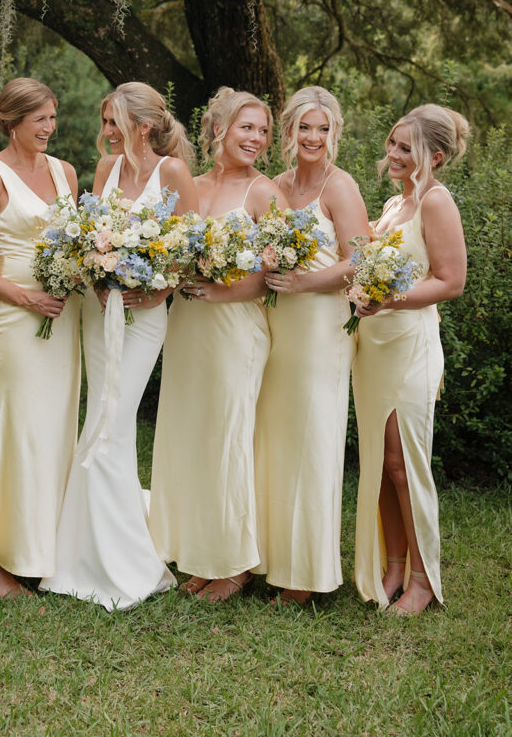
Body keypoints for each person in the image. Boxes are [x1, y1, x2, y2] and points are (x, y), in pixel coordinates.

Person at [40, 81, 198, 610]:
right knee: (101, 415)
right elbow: (88, 233)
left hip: (144, 317)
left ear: (144, 126)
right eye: (104, 121)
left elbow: (187, 246)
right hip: (98, 309)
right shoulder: (106, 171)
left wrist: (157, 290)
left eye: (113, 122)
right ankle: (82, 551)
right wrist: (92, 266)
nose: (105, 132)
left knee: (114, 415)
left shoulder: (170, 172)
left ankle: (121, 562)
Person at [149, 89, 284, 601]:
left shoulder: (264, 193)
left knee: (229, 436)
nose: (256, 138)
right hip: (187, 324)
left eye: (263, 131)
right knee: (192, 433)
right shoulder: (190, 184)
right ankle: (201, 554)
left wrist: (226, 288)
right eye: (247, 127)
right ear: (219, 129)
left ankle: (235, 565)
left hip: (236, 329)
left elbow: (277, 272)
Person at [0, 78, 81, 598]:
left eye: (53, 119)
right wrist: (22, 296)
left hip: (63, 315)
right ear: (12, 121)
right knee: (13, 427)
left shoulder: (66, 172)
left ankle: (42, 549)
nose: (49, 129)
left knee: (54, 428)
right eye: (40, 120)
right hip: (9, 319)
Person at [253, 86, 369, 605]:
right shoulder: (274, 185)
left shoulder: (339, 187)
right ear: (289, 130)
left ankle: (305, 574)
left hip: (321, 326)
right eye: (305, 127)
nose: (313, 137)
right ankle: (270, 558)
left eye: (323, 128)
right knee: (274, 440)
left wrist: (303, 284)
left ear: (334, 133)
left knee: (312, 441)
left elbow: (360, 260)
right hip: (274, 327)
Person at [353, 104, 468, 616]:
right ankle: (394, 567)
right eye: (393, 143)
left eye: (407, 148)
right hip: (371, 346)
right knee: (380, 465)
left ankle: (422, 581)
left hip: (409, 345)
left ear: (435, 156)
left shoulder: (436, 202)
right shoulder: (393, 204)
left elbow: (451, 282)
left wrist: (388, 299)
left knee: (404, 465)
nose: (394, 154)